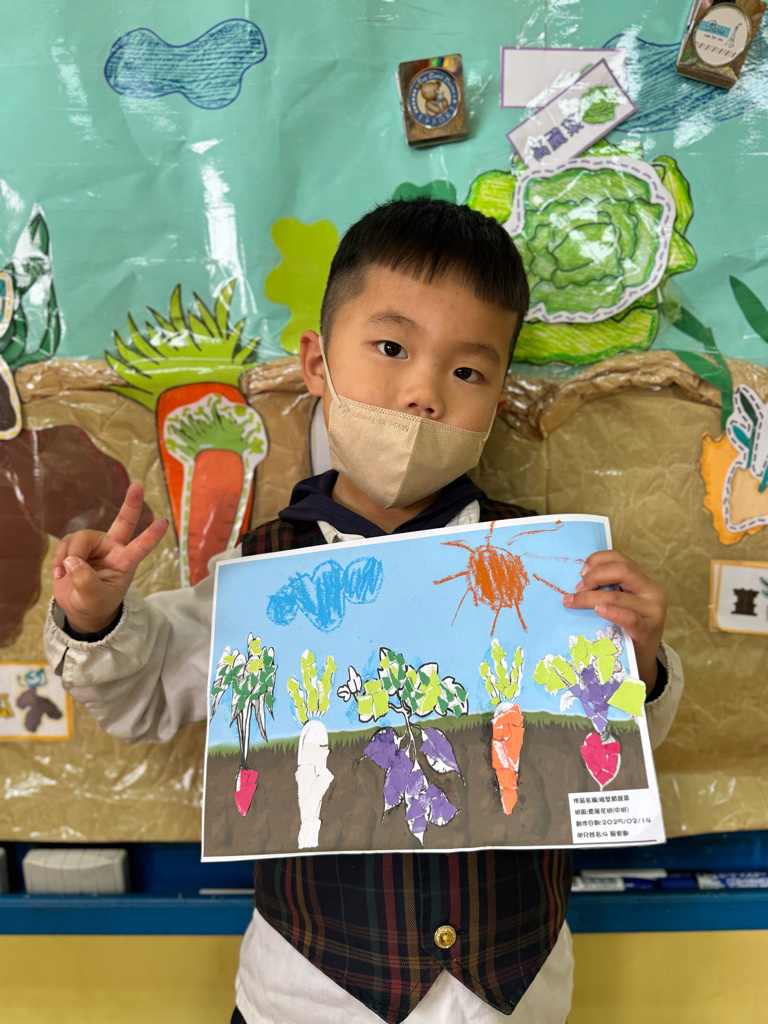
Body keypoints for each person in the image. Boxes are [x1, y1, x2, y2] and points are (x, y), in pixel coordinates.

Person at [44, 198, 683, 1024]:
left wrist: (639, 659)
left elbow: (607, 741)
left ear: (498, 398)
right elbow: (143, 695)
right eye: (390, 348)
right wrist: (96, 618)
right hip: (306, 997)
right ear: (317, 363)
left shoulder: (547, 563)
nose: (423, 394)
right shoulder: (260, 573)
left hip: (509, 996)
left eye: (467, 372)